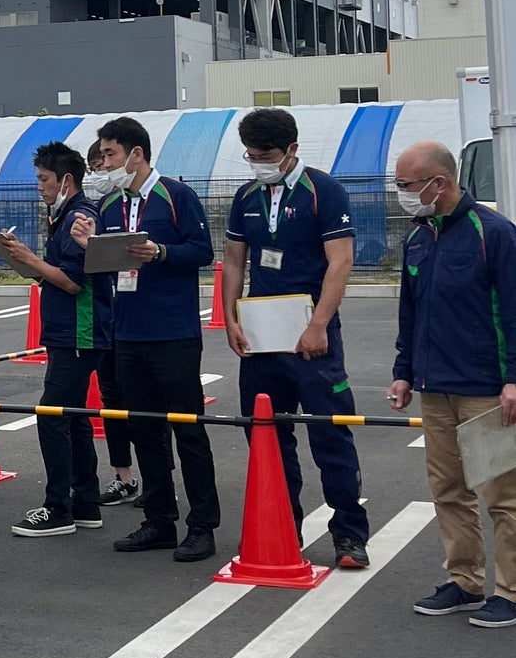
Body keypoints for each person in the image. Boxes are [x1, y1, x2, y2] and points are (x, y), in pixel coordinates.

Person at [221, 108, 369, 569]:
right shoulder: (245, 195)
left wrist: (319, 324)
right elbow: (232, 261)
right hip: (262, 334)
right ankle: (285, 524)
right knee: (267, 434)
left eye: (266, 155)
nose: (258, 163)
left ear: (292, 150)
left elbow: (340, 264)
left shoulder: (324, 191)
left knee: (330, 434)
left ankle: (349, 533)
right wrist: (229, 319)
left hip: (312, 331)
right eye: (251, 155)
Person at [70, 116, 220, 561]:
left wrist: (162, 252)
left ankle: (202, 525)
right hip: (127, 333)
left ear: (136, 154)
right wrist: (89, 246)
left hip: (173, 333)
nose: (105, 164)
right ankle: (159, 519)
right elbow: (107, 265)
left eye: (111, 155)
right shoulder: (112, 206)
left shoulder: (177, 196)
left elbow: (203, 251)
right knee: (145, 431)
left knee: (188, 431)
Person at [389, 140, 516, 628]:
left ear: (437, 182)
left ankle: (510, 590)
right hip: (435, 385)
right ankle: (464, 581)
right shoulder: (420, 237)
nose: (402, 193)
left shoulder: (495, 233)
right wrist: (404, 373)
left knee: (503, 494)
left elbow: (512, 309)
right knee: (448, 488)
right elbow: (410, 312)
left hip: (486, 387)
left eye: (406, 185)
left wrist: (513, 380)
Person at [1, 142, 114, 536]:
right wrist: (25, 261)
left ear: (66, 179)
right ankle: (85, 502)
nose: (40, 187)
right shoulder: (64, 215)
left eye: (44, 179)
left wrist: (31, 260)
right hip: (71, 332)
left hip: (80, 332)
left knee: (52, 415)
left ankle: (58, 508)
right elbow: (54, 274)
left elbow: (72, 281)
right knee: (74, 418)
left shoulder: (79, 217)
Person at [85, 142, 141, 508]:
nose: (100, 172)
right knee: (112, 401)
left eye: (104, 163)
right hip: (107, 320)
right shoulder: (100, 208)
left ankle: (159, 476)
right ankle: (124, 476)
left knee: (146, 402)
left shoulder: (145, 201)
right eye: (94, 167)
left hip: (140, 320)